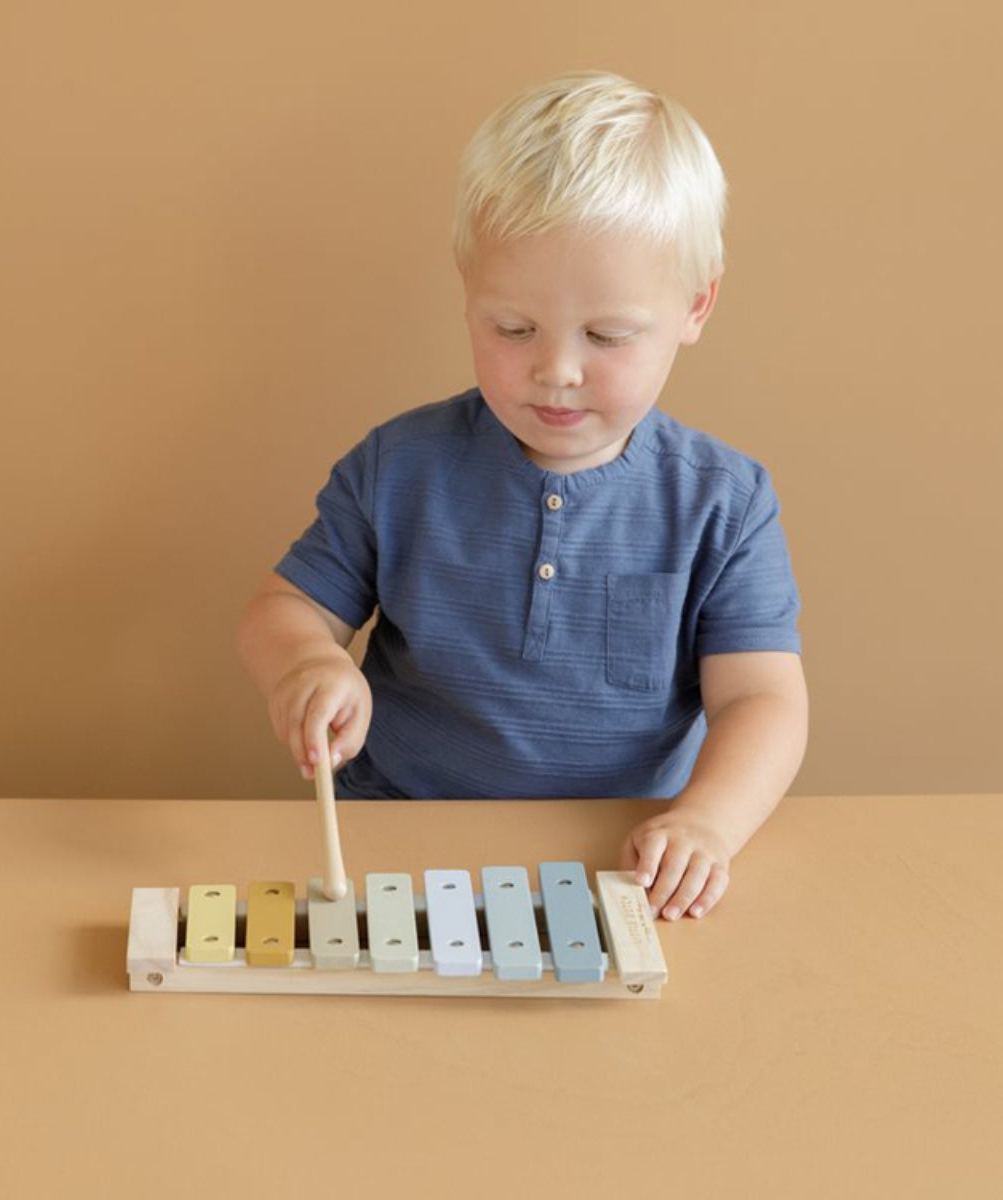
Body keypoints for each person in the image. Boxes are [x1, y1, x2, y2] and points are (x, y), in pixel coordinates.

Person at [237, 69, 808, 924]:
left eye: (607, 335)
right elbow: (281, 610)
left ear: (696, 306)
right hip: (395, 837)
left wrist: (706, 824)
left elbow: (763, 701)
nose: (557, 370)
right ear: (468, 295)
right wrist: (306, 665)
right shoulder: (399, 466)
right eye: (513, 328)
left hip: (618, 863)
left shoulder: (724, 503)